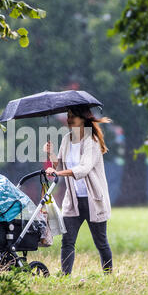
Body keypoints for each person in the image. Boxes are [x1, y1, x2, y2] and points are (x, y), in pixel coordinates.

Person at [43, 106, 113, 275]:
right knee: (67, 241)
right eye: (68, 116)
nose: (69, 119)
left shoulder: (92, 141)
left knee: (101, 242)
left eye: (72, 116)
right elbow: (57, 164)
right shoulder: (67, 139)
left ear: (83, 118)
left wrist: (58, 173)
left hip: (93, 200)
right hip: (73, 199)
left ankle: (109, 276)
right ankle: (65, 276)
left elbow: (83, 169)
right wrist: (50, 153)